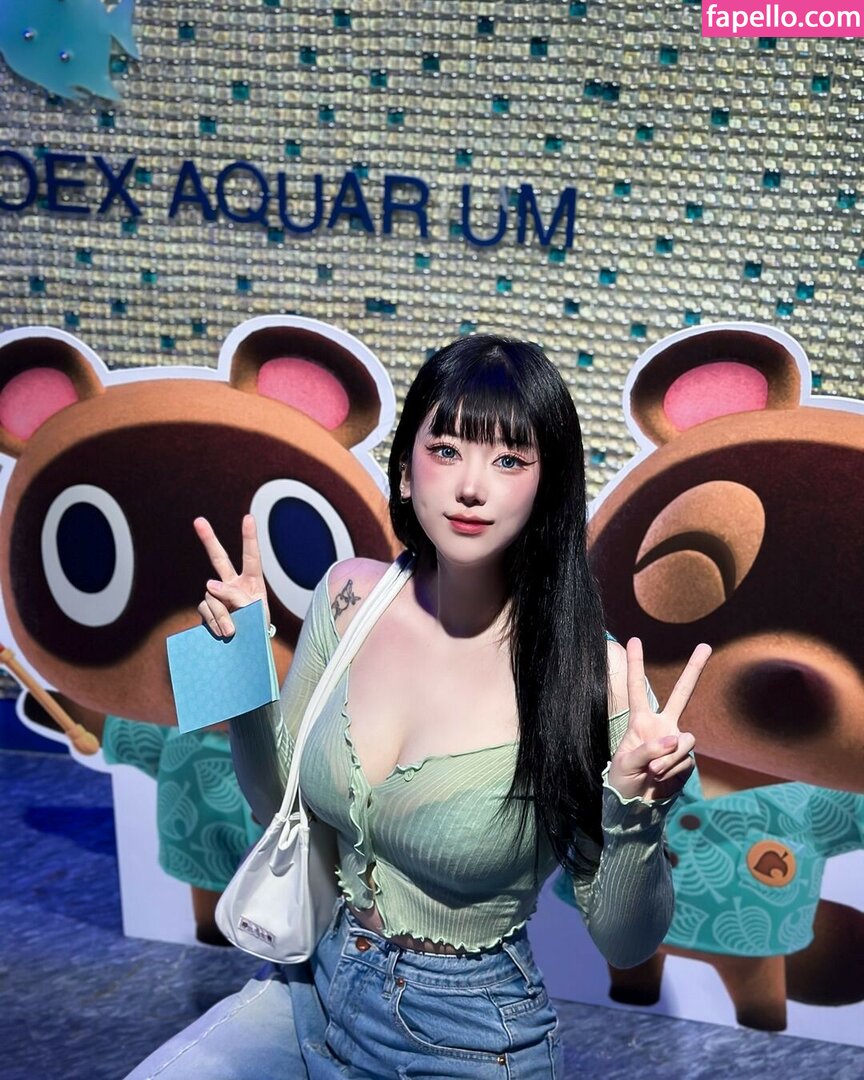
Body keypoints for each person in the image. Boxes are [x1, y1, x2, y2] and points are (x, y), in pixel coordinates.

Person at [126, 335, 710, 1079]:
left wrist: (635, 810)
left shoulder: (599, 677)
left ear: (548, 487)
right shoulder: (349, 595)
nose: (472, 486)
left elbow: (626, 945)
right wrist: (241, 669)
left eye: (509, 460)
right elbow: (278, 805)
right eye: (446, 449)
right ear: (405, 472)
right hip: (317, 977)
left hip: (467, 1031)